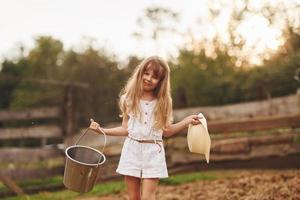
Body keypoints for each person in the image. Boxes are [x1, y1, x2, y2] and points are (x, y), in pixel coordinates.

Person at [89, 56, 200, 200]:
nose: (148, 78)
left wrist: (186, 121)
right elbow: (126, 129)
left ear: (161, 82)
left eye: (155, 77)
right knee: (134, 197)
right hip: (132, 151)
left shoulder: (163, 102)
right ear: (140, 73)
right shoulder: (128, 99)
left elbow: (165, 131)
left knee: (148, 197)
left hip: (153, 152)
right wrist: (102, 130)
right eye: (146, 73)